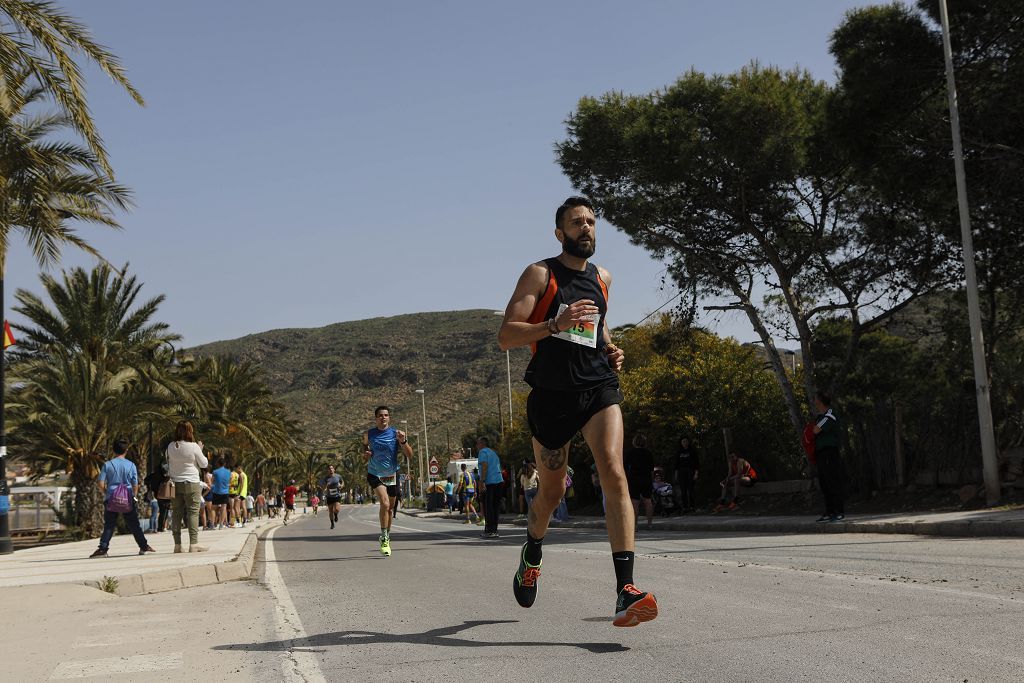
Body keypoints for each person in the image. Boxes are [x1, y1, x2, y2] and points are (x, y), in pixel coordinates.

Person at [497, 195, 657, 627]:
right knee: (550, 495)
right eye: (576, 222)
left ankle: (626, 590)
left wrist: (611, 348)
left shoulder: (602, 277)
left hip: (597, 389)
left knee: (614, 470)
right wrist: (554, 325)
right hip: (551, 397)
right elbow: (507, 335)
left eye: (590, 221)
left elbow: (600, 326)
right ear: (559, 232)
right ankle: (532, 549)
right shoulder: (540, 273)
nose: (585, 228)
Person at [90, 439, 155, 558]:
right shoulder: (131, 465)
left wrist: (107, 492)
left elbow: (100, 483)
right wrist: (134, 497)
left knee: (109, 524)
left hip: (111, 498)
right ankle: (144, 547)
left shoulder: (107, 464)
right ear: (126, 450)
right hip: (128, 498)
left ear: (113, 450)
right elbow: (135, 484)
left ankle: (103, 549)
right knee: (134, 524)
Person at [363, 406, 414, 556]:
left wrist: (403, 441)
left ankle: (387, 535)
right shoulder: (369, 434)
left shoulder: (396, 434)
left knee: (390, 508)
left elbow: (410, 455)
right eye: (380, 415)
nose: (383, 417)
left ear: (389, 418)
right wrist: (366, 454)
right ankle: (384, 539)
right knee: (384, 504)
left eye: (386, 415)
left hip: (392, 474)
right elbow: (365, 453)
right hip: (375, 473)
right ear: (375, 418)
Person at [166, 421, 209, 553]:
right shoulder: (193, 446)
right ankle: (193, 544)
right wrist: (200, 450)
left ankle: (177, 545)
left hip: (174, 483)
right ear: (190, 431)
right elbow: (203, 464)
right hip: (191, 482)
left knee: (176, 513)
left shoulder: (170, 446)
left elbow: (167, 462)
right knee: (193, 513)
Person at [813, 392, 845, 522]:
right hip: (821, 452)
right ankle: (829, 511)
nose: (815, 402)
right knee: (824, 482)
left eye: (816, 399)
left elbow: (815, 430)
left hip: (829, 452)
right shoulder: (821, 416)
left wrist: (814, 428)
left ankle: (838, 511)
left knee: (832, 481)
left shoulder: (829, 415)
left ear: (821, 401)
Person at [624, 433, 654, 530]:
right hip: (646, 478)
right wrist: (651, 479)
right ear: (644, 442)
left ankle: (635, 525)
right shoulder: (648, 453)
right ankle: (650, 524)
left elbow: (625, 467)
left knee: (634, 503)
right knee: (648, 501)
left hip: (634, 479)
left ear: (634, 442)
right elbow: (652, 469)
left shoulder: (630, 452)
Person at [476, 436, 504, 538]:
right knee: (495, 507)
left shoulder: (482, 452)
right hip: (499, 481)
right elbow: (498, 467)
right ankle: (494, 530)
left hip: (490, 482)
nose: (476, 446)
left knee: (488, 507)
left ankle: (489, 530)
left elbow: (484, 465)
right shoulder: (493, 453)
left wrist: (482, 481)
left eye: (477, 444)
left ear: (482, 444)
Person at [674, 437, 699, 513]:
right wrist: (676, 475)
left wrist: (696, 473)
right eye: (683, 441)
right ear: (681, 443)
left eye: (686, 441)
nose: (685, 443)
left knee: (691, 489)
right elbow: (676, 465)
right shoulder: (679, 452)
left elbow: (696, 463)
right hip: (681, 472)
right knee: (683, 490)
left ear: (688, 442)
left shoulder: (692, 451)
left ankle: (692, 506)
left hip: (690, 471)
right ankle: (684, 507)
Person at [211, 456, 232, 530]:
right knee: (223, 508)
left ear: (218, 464)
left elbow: (212, 481)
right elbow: (229, 482)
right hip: (225, 492)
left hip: (216, 491)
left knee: (213, 508)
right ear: (225, 463)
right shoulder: (229, 472)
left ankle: (213, 525)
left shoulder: (215, 471)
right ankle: (221, 525)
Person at [322, 464, 344, 529]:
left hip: (337, 495)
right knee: (330, 511)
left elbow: (342, 482)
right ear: (328, 470)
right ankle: (332, 524)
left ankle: (336, 515)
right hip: (329, 496)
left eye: (332, 468)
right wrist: (326, 486)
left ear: (334, 469)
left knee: (337, 509)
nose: (331, 470)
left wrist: (341, 486)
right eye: (329, 469)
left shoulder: (338, 476)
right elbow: (323, 487)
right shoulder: (326, 478)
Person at [234, 463, 249, 527]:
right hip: (244, 493)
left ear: (239, 468)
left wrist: (239, 493)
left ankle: (238, 522)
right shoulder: (245, 475)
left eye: (236, 469)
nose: (236, 470)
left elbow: (241, 484)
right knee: (244, 507)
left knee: (236, 507)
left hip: (240, 493)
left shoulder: (241, 475)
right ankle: (244, 521)